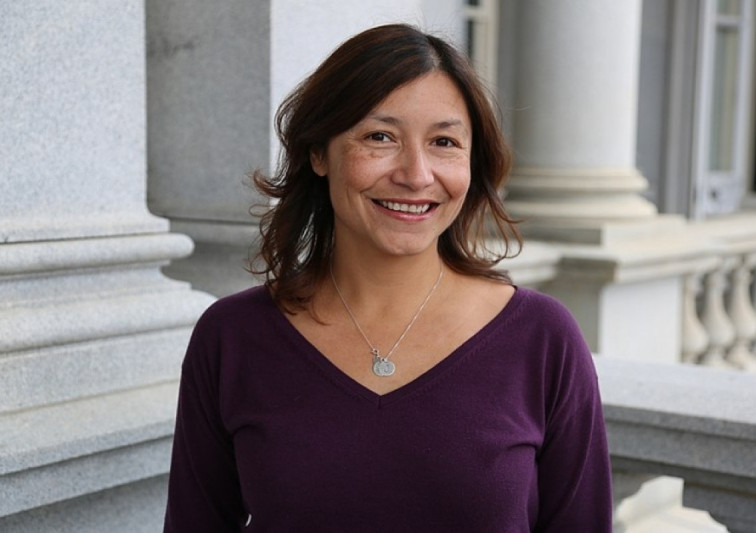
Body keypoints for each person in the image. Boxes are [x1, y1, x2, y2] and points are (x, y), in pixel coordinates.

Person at [163, 23, 612, 532]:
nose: (416, 175)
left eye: (444, 142)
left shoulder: (542, 338)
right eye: (380, 137)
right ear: (318, 153)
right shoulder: (233, 337)